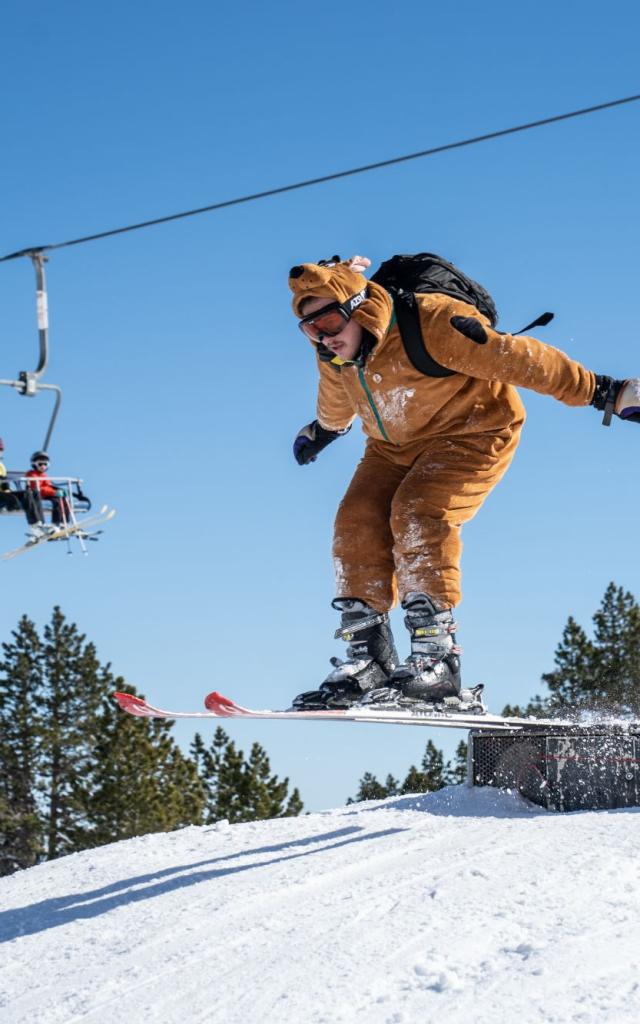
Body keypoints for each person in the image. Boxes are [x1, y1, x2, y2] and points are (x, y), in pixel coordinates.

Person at [288, 254, 640, 712]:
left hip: (473, 431)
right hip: (392, 446)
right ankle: (368, 660)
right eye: (311, 330)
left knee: (417, 513)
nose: (325, 338)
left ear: (361, 306)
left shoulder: (433, 323)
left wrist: (604, 391)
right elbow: (337, 399)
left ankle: (436, 663)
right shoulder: (335, 357)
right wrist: (323, 431)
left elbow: (523, 360)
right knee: (354, 522)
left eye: (330, 321)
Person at [26, 451, 70, 527]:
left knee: (63, 500)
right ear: (34, 464)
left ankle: (64, 522)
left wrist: (56, 491)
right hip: (38, 495)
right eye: (40, 464)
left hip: (46, 494)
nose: (43, 466)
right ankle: (56, 523)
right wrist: (54, 493)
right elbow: (38, 488)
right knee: (56, 502)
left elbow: (48, 486)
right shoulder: (31, 474)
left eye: (45, 464)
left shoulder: (44, 475)